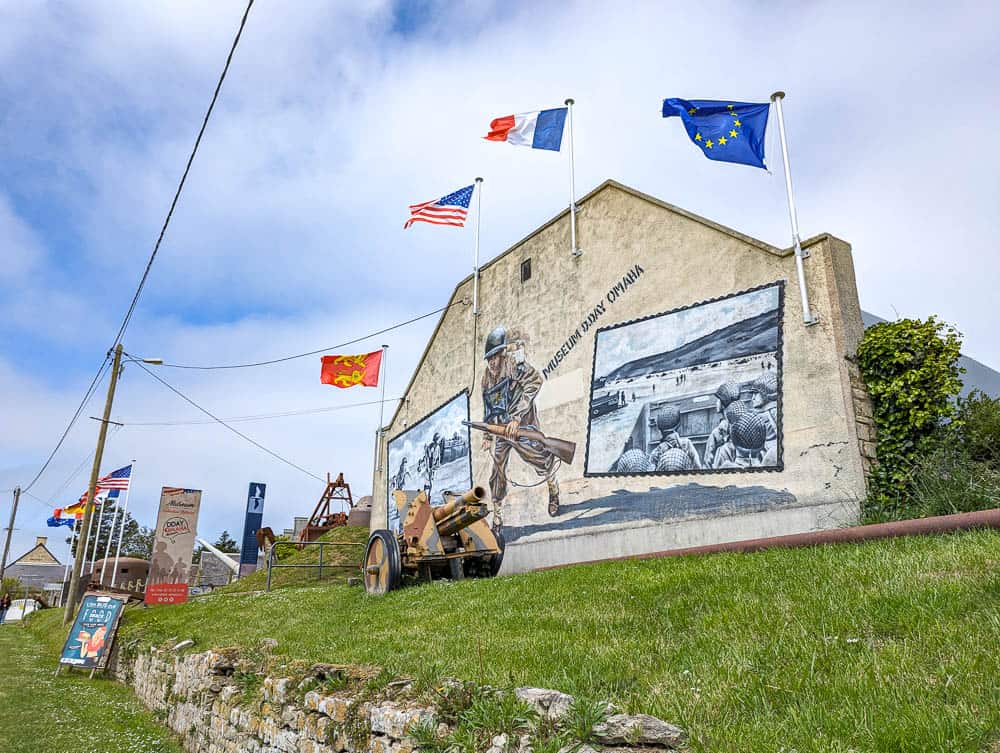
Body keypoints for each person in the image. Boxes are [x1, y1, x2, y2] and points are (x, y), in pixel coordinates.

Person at [481, 325, 559, 527]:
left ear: (502, 354)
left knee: (538, 458)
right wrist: (488, 436)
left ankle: (553, 490)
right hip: (501, 429)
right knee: (497, 470)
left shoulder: (515, 365)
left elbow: (535, 382)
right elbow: (488, 405)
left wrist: (517, 417)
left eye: (494, 357)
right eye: (488, 358)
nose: (491, 362)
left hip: (522, 426)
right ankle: (497, 515)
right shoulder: (486, 378)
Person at [649, 406, 702, 470]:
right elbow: (698, 468)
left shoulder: (657, 451)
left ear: (660, 429)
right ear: (678, 426)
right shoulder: (687, 444)